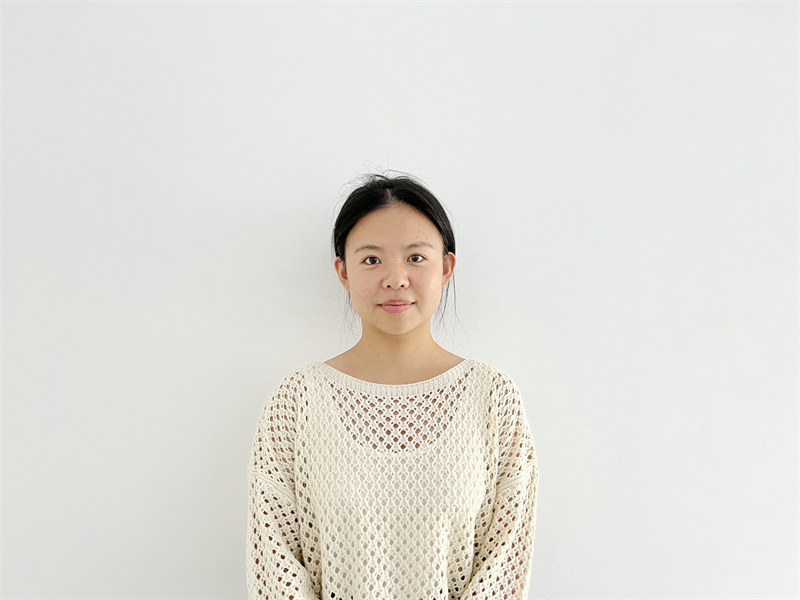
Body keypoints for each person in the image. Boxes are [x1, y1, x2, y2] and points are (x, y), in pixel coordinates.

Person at [246, 173, 539, 600]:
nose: (396, 278)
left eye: (415, 257)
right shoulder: (296, 402)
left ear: (446, 268)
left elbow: (504, 567)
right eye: (372, 260)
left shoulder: (493, 399)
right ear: (343, 272)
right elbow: (276, 567)